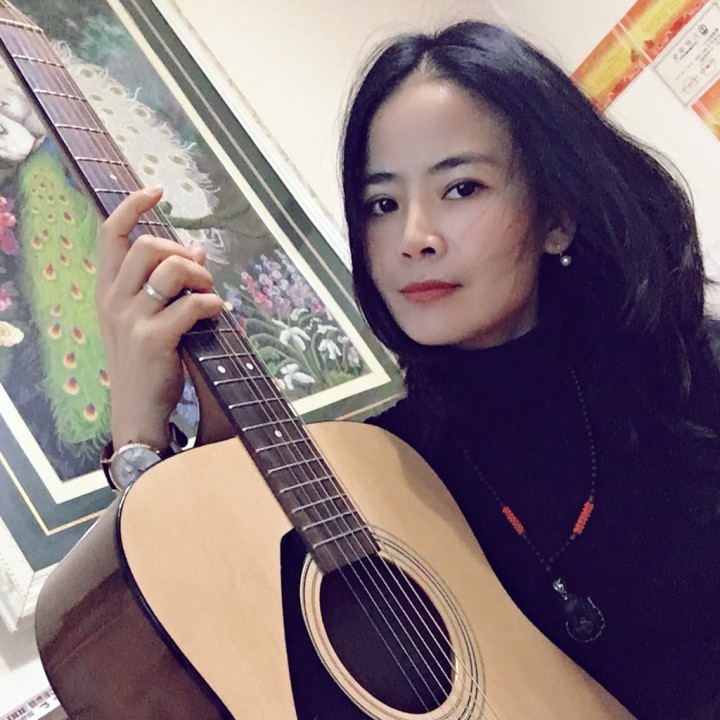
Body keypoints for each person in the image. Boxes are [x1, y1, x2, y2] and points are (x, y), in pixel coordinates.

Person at [95, 20, 720, 720]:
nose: (414, 237)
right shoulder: (374, 475)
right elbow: (221, 675)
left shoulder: (693, 375)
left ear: (557, 218)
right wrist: (138, 439)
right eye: (382, 204)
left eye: (461, 188)